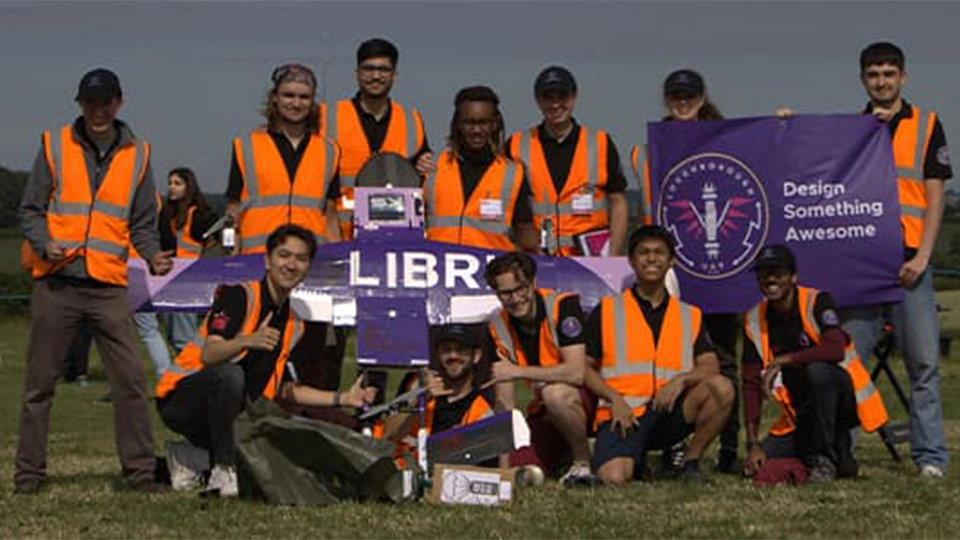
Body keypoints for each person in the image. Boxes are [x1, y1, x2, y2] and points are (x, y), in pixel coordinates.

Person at [16, 68, 173, 494]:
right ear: (80, 105)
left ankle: (140, 474)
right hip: (57, 281)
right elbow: (29, 209)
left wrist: (153, 254)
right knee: (39, 385)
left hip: (109, 287)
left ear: (119, 103)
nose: (98, 110)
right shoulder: (53, 147)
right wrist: (43, 241)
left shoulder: (139, 155)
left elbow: (142, 223)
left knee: (132, 383)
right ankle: (28, 476)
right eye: (90, 103)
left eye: (105, 102)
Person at [154, 224, 375, 496]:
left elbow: (281, 389)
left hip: (232, 410)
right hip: (182, 398)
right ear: (267, 260)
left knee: (277, 454)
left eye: (301, 258)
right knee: (230, 376)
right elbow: (209, 354)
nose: (291, 265)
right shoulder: (239, 295)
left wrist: (342, 398)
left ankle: (190, 458)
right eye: (284, 255)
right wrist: (247, 341)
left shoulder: (294, 323)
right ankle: (224, 471)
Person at [839, 42, 951, 478]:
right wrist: (788, 127)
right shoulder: (849, 128)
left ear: (903, 76)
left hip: (910, 265)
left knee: (923, 365)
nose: (882, 81)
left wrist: (923, 257)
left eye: (889, 73)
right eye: (873, 74)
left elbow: (935, 198)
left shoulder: (927, 125)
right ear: (863, 79)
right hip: (861, 266)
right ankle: (839, 453)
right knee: (849, 364)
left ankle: (930, 459)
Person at [630, 69, 741, 474]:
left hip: (721, 270)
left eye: (689, 95)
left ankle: (728, 448)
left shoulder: (727, 138)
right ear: (665, 99)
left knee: (724, 361)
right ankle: (673, 442)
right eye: (675, 95)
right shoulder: (648, 150)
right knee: (674, 360)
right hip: (672, 271)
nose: (682, 102)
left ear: (701, 96)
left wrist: (782, 123)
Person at [584, 225, 734, 485]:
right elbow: (584, 368)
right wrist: (613, 398)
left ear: (671, 261)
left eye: (659, 253)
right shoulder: (607, 310)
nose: (651, 259)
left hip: (670, 412)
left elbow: (710, 367)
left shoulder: (690, 314)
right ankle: (636, 459)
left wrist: (682, 381)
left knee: (721, 387)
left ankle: (690, 462)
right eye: (643, 253)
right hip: (623, 414)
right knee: (613, 479)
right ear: (631, 261)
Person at [741, 245, 888, 482]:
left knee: (817, 371)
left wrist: (785, 360)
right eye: (764, 273)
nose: (770, 278)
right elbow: (749, 384)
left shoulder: (817, 300)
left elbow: (835, 349)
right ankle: (837, 455)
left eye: (778, 272)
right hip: (800, 412)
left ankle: (824, 459)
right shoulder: (754, 319)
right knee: (758, 466)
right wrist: (752, 444)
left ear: (793, 277)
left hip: (840, 399)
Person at [483, 252, 595, 486]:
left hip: (590, 398)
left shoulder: (563, 305)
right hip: (546, 412)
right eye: (506, 293)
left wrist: (520, 372)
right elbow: (506, 405)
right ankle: (561, 453)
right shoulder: (497, 327)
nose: (515, 299)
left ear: (533, 282)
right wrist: (503, 471)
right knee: (516, 465)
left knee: (554, 394)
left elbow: (576, 373)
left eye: (521, 289)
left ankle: (583, 463)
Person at [507, 66, 628, 256]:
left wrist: (613, 254)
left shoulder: (600, 142)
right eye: (548, 97)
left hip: (590, 259)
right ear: (537, 101)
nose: (555, 105)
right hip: (538, 258)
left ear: (574, 98)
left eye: (562, 96)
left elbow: (618, 200)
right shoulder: (516, 145)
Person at [225, 63, 341, 255]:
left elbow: (330, 218)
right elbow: (232, 214)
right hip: (258, 264)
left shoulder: (329, 151)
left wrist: (337, 265)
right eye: (288, 95)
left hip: (310, 264)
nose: (296, 104)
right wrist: (232, 265)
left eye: (304, 97)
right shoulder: (245, 146)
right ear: (275, 99)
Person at [324, 38, 433, 240]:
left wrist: (423, 166)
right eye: (368, 69)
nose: (376, 76)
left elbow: (421, 177)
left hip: (396, 236)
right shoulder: (327, 116)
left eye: (384, 70)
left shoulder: (412, 120)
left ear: (394, 75)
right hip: (341, 234)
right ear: (357, 73)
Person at [424, 86, 538, 251]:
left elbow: (526, 234)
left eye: (483, 122)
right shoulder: (432, 167)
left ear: (494, 123)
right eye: (469, 122)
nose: (476, 130)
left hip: (493, 273)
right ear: (458, 124)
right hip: (440, 271)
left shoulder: (513, 174)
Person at [380, 324, 495, 450]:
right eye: (446, 349)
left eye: (461, 350)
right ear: (437, 354)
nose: (453, 355)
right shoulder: (418, 392)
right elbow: (387, 437)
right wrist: (418, 403)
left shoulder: (482, 411)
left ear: (476, 356)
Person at [159, 166, 217, 354]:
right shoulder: (167, 214)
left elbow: (216, 239)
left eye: (177, 183)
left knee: (183, 336)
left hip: (188, 277)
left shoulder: (199, 214)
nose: (172, 187)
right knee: (172, 334)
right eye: (170, 183)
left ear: (188, 186)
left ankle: (191, 374)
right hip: (168, 276)